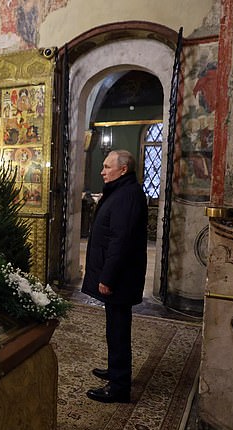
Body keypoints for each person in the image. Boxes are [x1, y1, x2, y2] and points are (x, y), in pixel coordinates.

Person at [82, 150, 148, 404]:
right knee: (115, 327)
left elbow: (120, 241)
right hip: (119, 276)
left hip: (120, 277)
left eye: (107, 167)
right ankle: (115, 369)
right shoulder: (121, 191)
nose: (102, 171)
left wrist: (107, 278)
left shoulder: (127, 195)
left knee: (119, 330)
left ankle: (119, 386)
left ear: (123, 170)